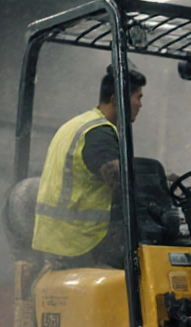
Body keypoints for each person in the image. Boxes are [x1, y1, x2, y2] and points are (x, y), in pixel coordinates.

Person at [32, 62, 145, 268]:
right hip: (79, 241)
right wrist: (154, 184)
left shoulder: (79, 124)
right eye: (138, 97)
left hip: (57, 238)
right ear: (116, 99)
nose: (140, 104)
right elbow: (122, 184)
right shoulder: (99, 133)